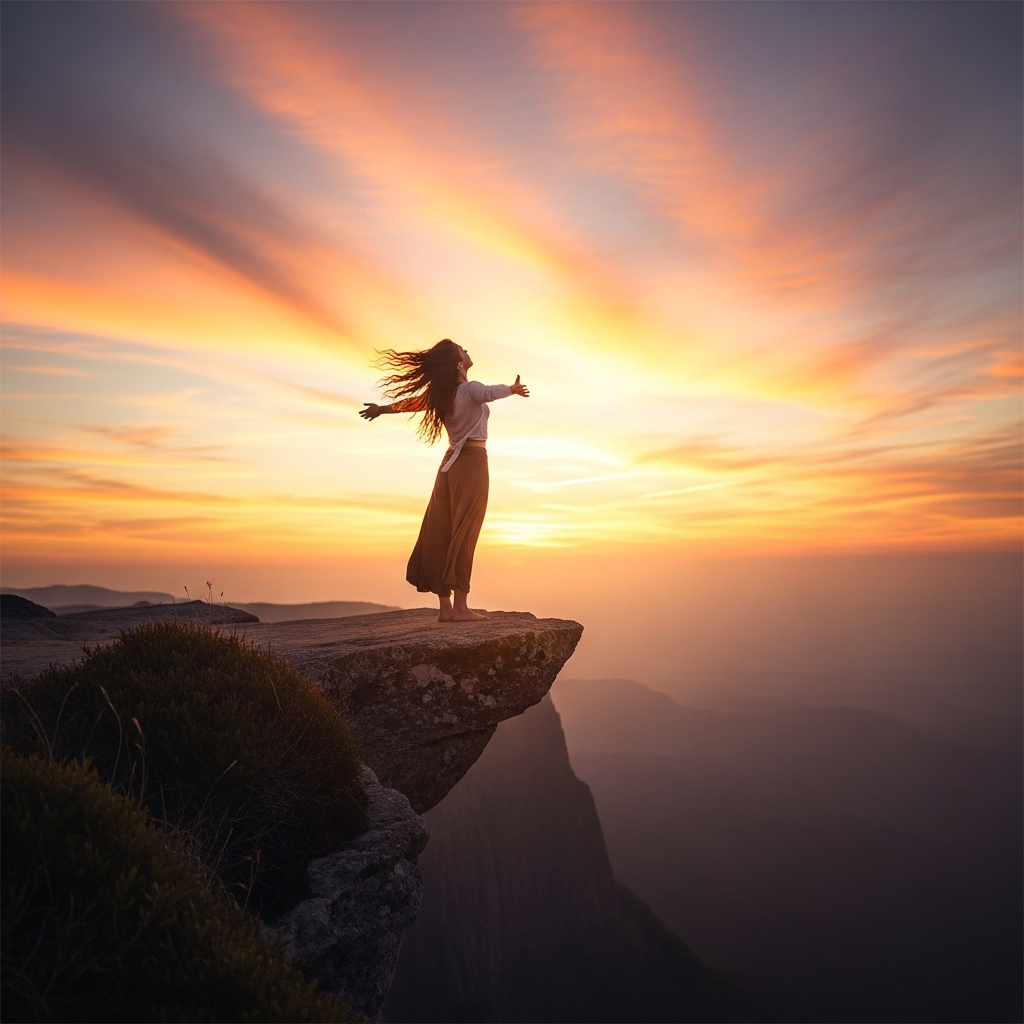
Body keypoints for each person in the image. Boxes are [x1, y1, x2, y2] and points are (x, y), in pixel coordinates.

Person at [360, 338, 529, 621]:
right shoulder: (470, 389)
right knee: (465, 531)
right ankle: (461, 607)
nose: (468, 350)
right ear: (459, 363)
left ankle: (446, 610)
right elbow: (489, 392)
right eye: (463, 350)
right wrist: (511, 390)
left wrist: (381, 409)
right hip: (472, 464)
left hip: (448, 468)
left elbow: (412, 404)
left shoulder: (443, 395)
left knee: (440, 530)